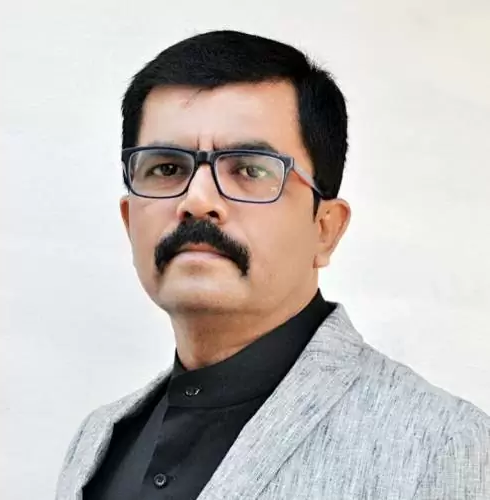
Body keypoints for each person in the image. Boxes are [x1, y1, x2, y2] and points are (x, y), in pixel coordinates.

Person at [55, 30, 490, 499]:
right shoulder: (97, 440)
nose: (197, 200)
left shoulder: (443, 446)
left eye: (250, 169)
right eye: (167, 168)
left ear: (325, 228)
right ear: (129, 220)